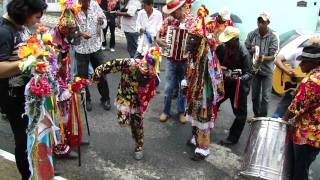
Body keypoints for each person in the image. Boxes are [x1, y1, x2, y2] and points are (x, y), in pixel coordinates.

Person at [0, 0, 47, 179]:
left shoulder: (19, 27)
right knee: (23, 140)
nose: (37, 21)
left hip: (27, 94)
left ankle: (35, 168)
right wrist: (27, 62)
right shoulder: (4, 32)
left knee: (33, 134)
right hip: (13, 97)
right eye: (36, 17)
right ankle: (27, 175)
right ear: (24, 12)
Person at [92, 48, 161, 160]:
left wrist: (144, 101)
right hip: (124, 97)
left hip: (138, 101)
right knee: (123, 121)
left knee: (137, 125)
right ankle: (126, 117)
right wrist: (97, 74)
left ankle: (139, 146)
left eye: (145, 76)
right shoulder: (129, 63)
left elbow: (150, 91)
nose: (143, 77)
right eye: (142, 74)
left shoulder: (152, 76)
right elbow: (111, 65)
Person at [282, 41, 320, 180]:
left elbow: (296, 106)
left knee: (298, 171)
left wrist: (282, 122)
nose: (300, 65)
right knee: (300, 167)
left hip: (307, 135)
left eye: (304, 62)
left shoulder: (313, 80)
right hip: (314, 135)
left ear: (315, 62)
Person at [215, 26, 252, 146]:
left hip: (238, 88)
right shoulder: (221, 48)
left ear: (236, 40)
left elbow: (249, 73)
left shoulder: (244, 53)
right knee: (212, 104)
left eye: (228, 41)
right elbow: (214, 62)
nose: (226, 43)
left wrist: (238, 79)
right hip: (223, 84)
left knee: (241, 114)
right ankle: (204, 128)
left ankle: (233, 138)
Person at [156, 0, 191, 124]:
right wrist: (160, 42)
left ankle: (181, 112)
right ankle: (166, 111)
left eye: (174, 11)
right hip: (171, 60)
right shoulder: (168, 21)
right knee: (168, 87)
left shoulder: (190, 22)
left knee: (183, 87)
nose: (172, 14)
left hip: (185, 60)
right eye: (170, 12)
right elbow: (158, 36)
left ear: (181, 8)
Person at [75, 0, 111, 111]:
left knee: (101, 73)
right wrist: (80, 34)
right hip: (81, 48)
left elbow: (104, 22)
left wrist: (101, 22)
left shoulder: (95, 5)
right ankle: (86, 100)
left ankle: (105, 98)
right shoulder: (72, 8)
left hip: (96, 46)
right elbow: (67, 29)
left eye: (89, 1)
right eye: (85, 1)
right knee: (82, 77)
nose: (88, 3)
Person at [245, 12, 279, 117]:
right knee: (254, 96)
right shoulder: (252, 34)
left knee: (265, 97)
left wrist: (262, 57)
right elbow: (247, 48)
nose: (260, 24)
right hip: (255, 70)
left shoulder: (273, 36)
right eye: (259, 21)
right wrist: (252, 50)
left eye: (263, 22)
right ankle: (256, 115)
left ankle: (263, 118)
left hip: (267, 71)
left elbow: (273, 56)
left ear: (268, 23)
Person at [273, 41, 304, 117]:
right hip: (291, 89)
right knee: (280, 111)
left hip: (304, 93)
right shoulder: (298, 51)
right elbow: (277, 59)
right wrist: (287, 72)